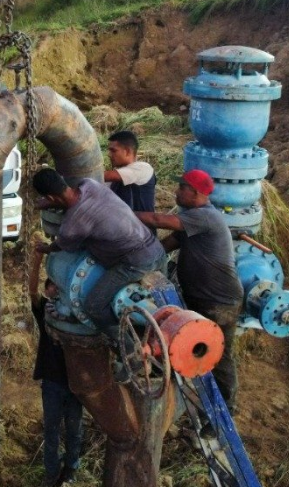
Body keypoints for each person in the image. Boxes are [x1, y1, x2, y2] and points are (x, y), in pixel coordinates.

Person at [135, 169, 243, 412]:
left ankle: (225, 410)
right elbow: (164, 247)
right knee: (185, 346)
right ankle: (182, 400)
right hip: (200, 299)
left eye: (181, 187)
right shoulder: (191, 223)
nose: (176, 191)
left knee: (218, 355)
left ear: (195, 192)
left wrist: (123, 214)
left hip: (219, 301)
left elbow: (158, 220)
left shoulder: (205, 216)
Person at [32, 169, 166, 342]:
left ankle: (128, 347)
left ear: (50, 199)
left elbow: (63, 246)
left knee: (93, 306)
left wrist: (46, 249)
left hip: (135, 263)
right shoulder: (90, 184)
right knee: (165, 309)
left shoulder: (72, 226)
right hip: (157, 250)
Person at [30, 254, 83, 487]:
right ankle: (52, 473)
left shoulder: (79, 316)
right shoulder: (45, 311)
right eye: (52, 286)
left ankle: (70, 469)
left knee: (74, 428)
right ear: (48, 290)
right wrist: (36, 259)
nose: (56, 290)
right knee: (51, 429)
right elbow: (31, 291)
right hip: (53, 382)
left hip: (76, 384)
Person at [104, 130, 156, 213]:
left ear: (127, 151)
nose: (109, 154)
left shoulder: (143, 168)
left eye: (113, 151)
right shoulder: (116, 177)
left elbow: (102, 176)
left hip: (141, 225)